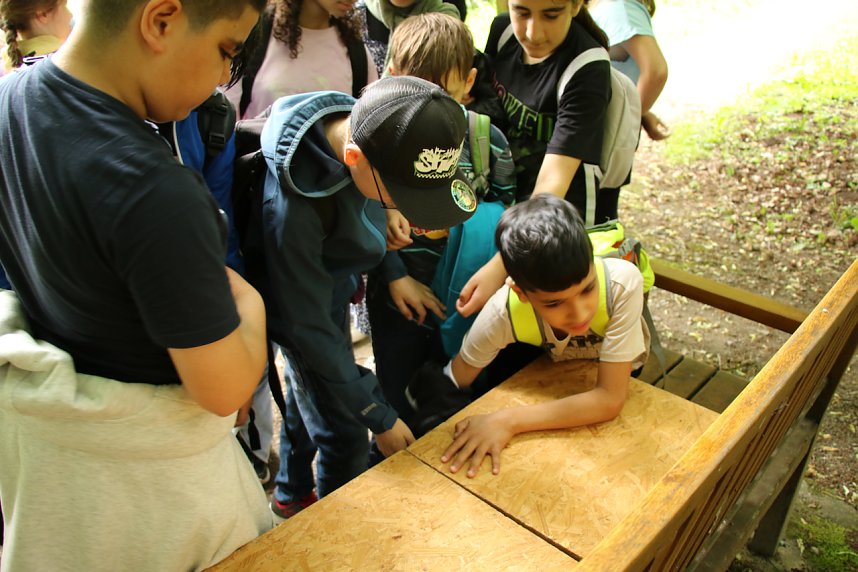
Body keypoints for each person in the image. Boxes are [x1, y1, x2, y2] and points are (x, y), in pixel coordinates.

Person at [0, 1, 272, 570]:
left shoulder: (8, 103)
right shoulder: (157, 191)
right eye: (227, 49)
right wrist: (251, 303)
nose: (225, 78)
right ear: (161, 20)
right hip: (154, 497)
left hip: (62, 480)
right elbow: (223, 391)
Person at [249, 75, 477, 520]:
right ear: (353, 159)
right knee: (345, 434)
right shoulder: (293, 211)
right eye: (404, 195)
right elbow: (309, 330)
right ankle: (332, 532)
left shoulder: (376, 126)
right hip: (304, 313)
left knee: (307, 400)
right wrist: (378, 416)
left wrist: (389, 259)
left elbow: (370, 199)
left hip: (327, 292)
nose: (410, 210)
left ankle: (290, 494)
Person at [365, 13, 515, 451]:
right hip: (399, 303)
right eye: (415, 92)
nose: (427, 109)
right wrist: (394, 274)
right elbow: (363, 214)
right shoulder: (375, 142)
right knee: (399, 410)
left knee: (461, 406)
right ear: (392, 77)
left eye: (444, 95)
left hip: (468, 300)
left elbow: (508, 212)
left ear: (468, 83)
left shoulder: (488, 142)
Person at [455, 0, 617, 385]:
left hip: (559, 224)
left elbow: (551, 189)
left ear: (577, 5)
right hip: (510, 210)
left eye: (552, 14)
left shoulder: (587, 67)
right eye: (521, 10)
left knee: (546, 346)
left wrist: (502, 264)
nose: (532, 32)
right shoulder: (502, 32)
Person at [434, 194, 649, 477]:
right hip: (556, 379)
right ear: (520, 293)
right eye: (555, 303)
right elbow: (457, 376)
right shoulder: (502, 312)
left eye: (587, 289)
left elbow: (609, 400)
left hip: (620, 375)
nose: (580, 312)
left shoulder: (622, 283)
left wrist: (507, 421)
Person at [227, 0, 377, 119]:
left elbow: (368, 124)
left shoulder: (357, 53)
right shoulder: (256, 31)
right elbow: (227, 117)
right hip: (254, 155)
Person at [591, 0, 669, 140]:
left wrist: (629, 119)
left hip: (597, 134)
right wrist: (641, 114)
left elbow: (656, 72)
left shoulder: (619, 8)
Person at [0, 0, 72, 73]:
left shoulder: (5, 66)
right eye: (65, 6)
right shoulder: (68, 64)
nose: (71, 15)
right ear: (44, 14)